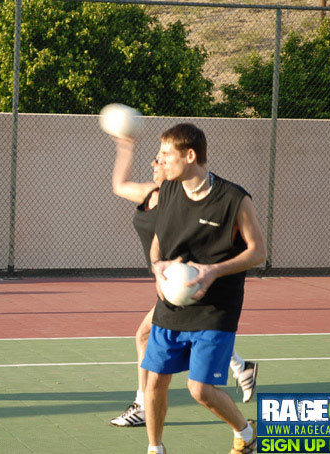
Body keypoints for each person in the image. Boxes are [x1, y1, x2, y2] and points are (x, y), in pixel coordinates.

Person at [108, 136, 258, 429]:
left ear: (184, 161)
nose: (156, 162)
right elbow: (118, 185)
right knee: (154, 337)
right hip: (169, 282)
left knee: (144, 335)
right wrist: (125, 145)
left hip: (187, 283)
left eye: (163, 156)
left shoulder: (193, 198)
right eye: (156, 156)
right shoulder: (152, 194)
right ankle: (239, 365)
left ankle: (142, 404)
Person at [141, 124, 266, 454]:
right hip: (172, 300)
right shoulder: (166, 190)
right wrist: (157, 267)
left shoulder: (233, 199)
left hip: (215, 306)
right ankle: (155, 448)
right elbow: (157, 242)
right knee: (154, 381)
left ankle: (245, 432)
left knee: (200, 390)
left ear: (190, 155)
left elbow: (258, 251)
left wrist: (214, 271)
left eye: (166, 154)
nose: (159, 161)